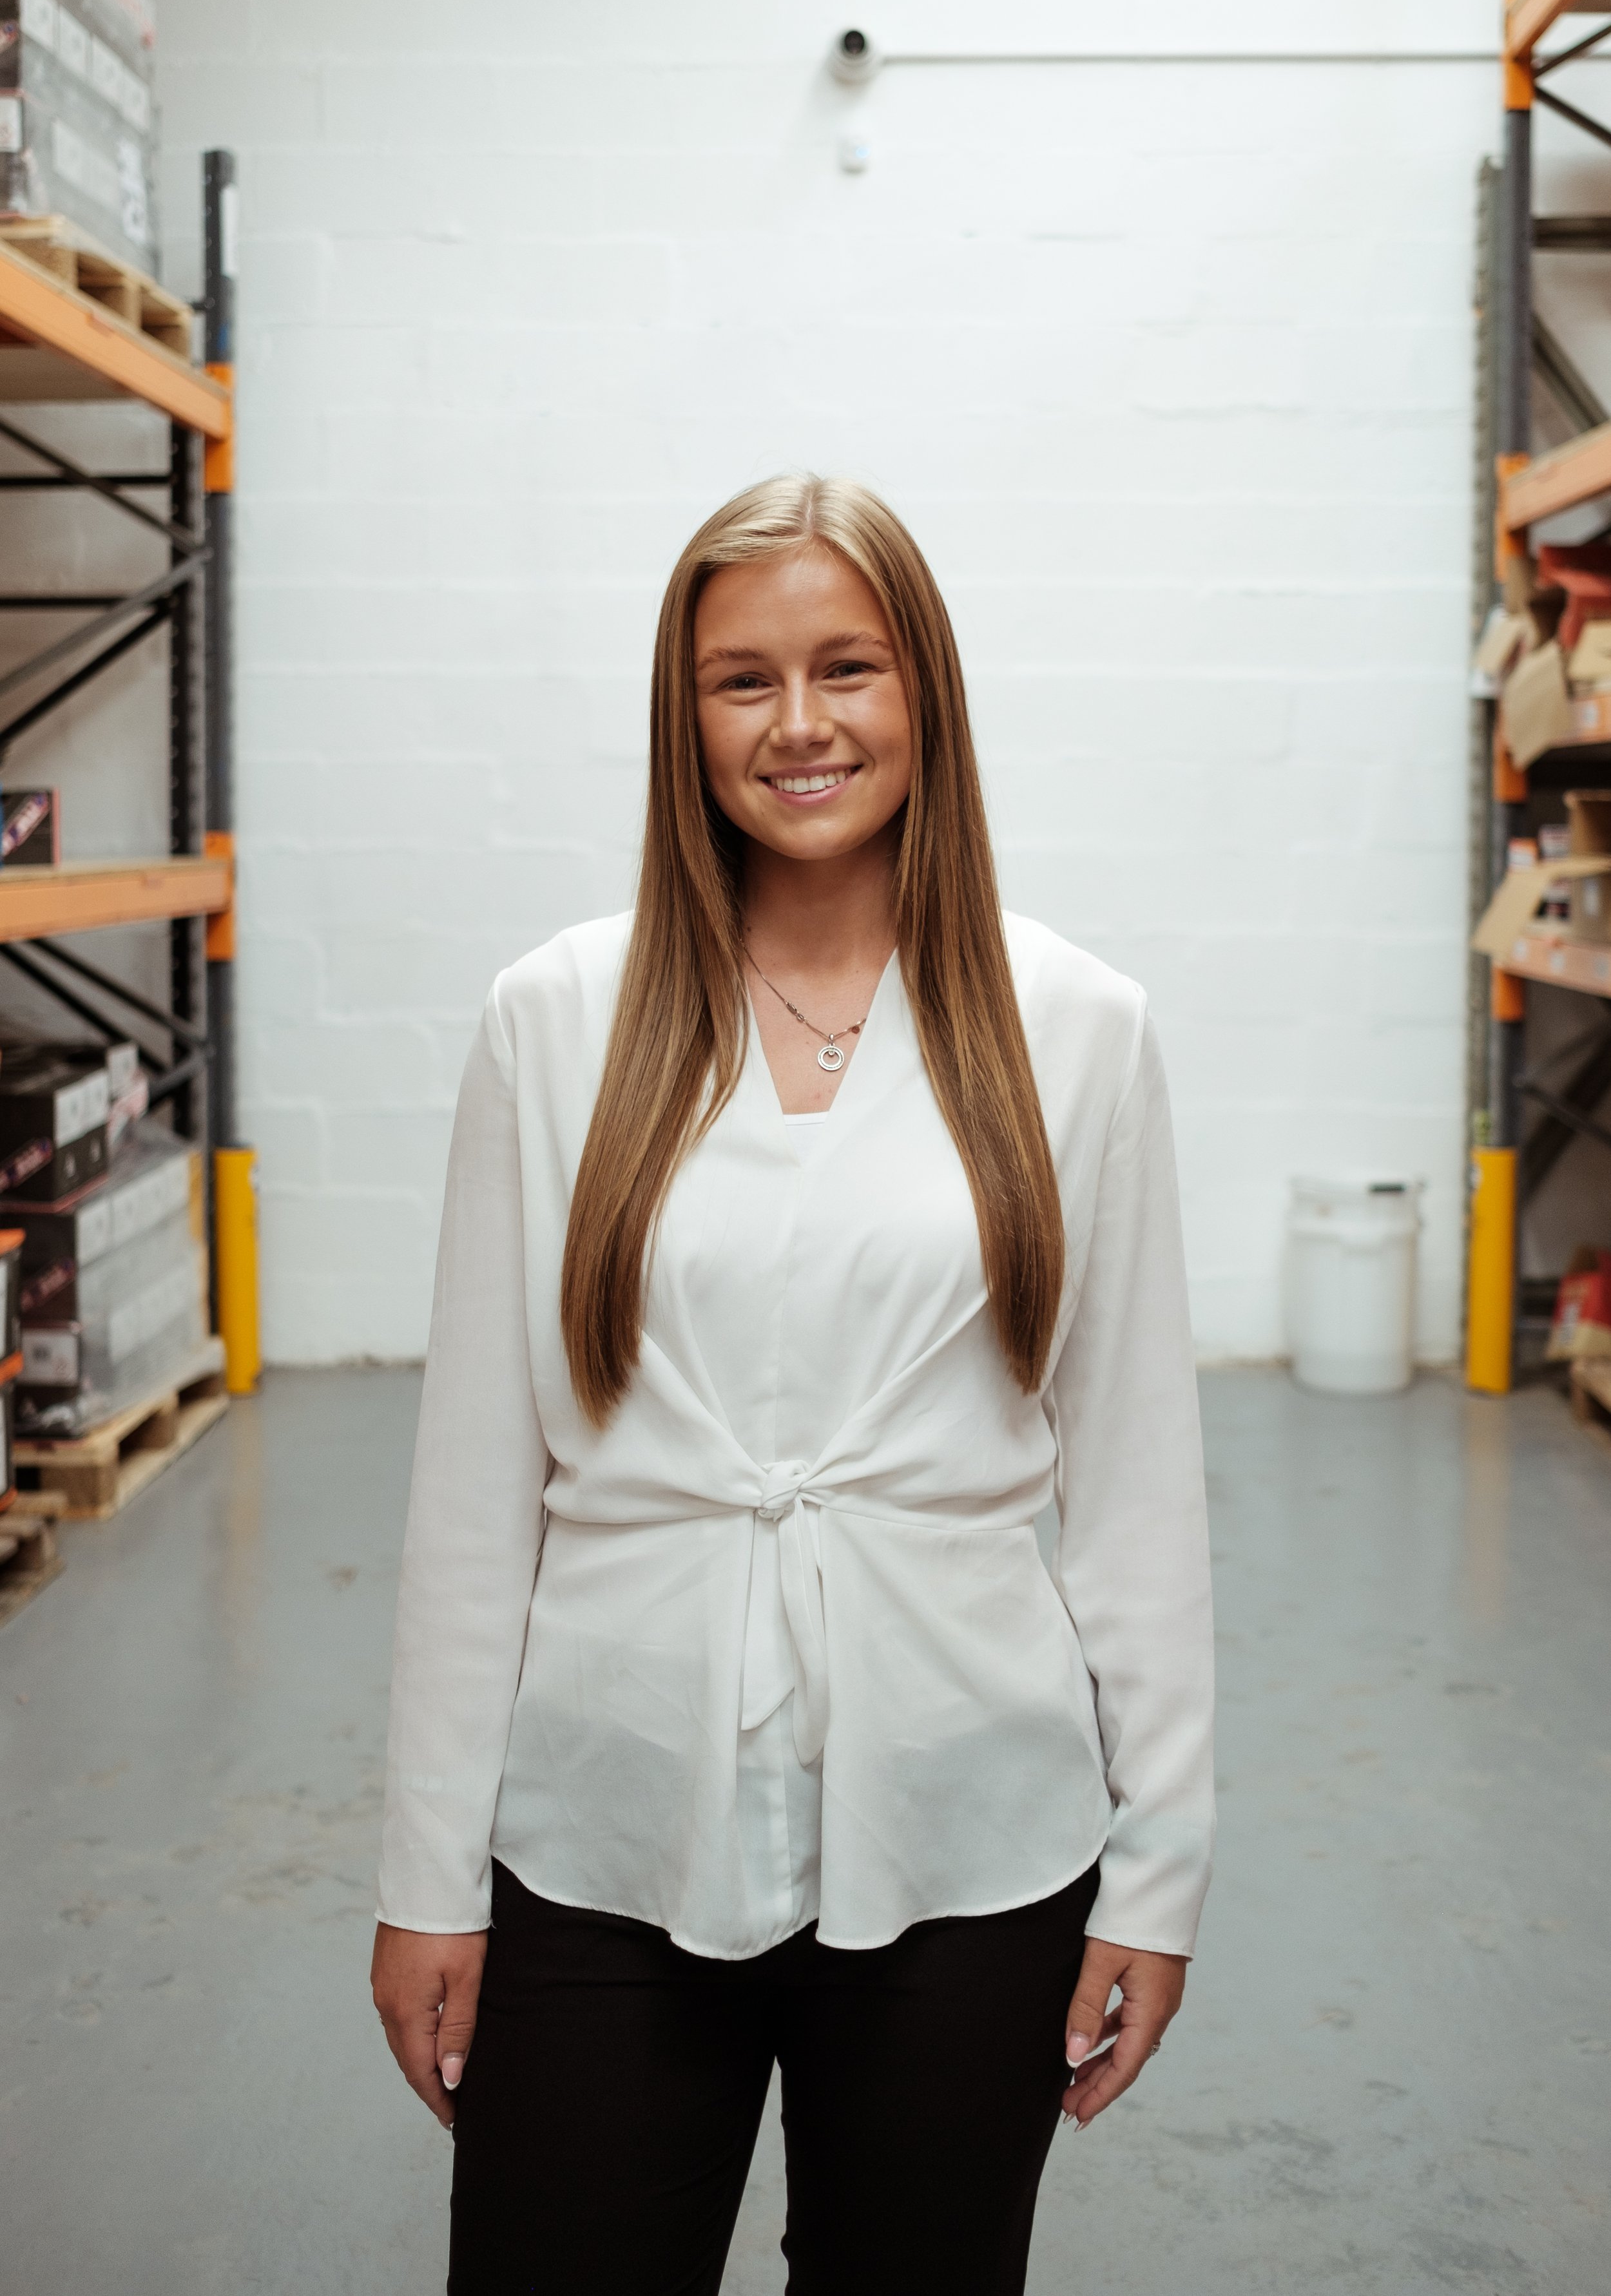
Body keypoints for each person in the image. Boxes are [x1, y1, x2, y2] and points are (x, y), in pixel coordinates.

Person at [372, 477, 1214, 2296]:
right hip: (609, 1820)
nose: (802, 724)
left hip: (969, 1838)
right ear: (684, 722)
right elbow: (467, 1502)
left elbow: (1135, 1494)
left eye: (848, 666)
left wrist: (1156, 1875)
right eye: (740, 681)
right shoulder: (557, 1019)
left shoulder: (1075, 1026)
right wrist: (427, 1870)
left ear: (927, 694)